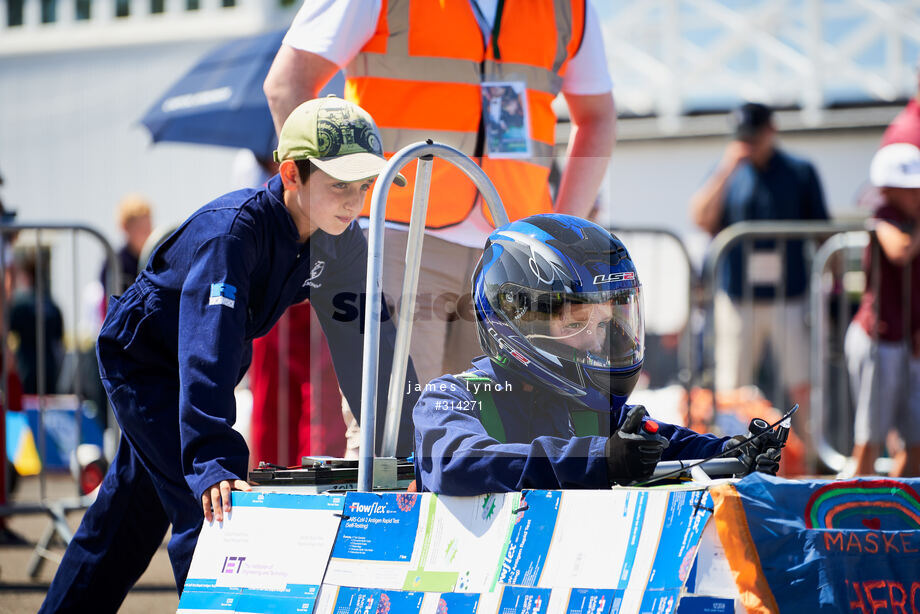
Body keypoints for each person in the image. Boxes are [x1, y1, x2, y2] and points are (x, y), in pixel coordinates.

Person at [39, 96, 420, 612]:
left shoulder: (342, 241)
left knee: (125, 521)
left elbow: (371, 346)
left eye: (364, 187)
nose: (354, 202)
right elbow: (206, 350)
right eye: (339, 186)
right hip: (147, 364)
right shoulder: (233, 233)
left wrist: (410, 446)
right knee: (213, 511)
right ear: (291, 174)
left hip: (205, 359)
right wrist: (214, 460)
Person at [263, 0, 617, 392]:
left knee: (503, 433)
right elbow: (287, 85)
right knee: (393, 433)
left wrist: (558, 236)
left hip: (516, 252)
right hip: (397, 237)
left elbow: (598, 116)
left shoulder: (567, 7)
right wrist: (335, 211)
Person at [412, 214, 782, 495]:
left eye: (603, 324)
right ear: (517, 320)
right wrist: (597, 460)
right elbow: (457, 462)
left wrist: (730, 453)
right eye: (576, 323)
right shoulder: (449, 398)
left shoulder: (591, 407)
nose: (593, 340)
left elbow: (658, 443)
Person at [689, 102, 828, 452]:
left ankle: (810, 455)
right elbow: (701, 218)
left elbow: (822, 231)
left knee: (801, 383)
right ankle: (731, 451)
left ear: (771, 130)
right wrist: (725, 168)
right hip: (738, 298)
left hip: (790, 296)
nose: (748, 144)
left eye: (754, 136)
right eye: (743, 138)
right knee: (732, 386)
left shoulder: (799, 171)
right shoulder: (730, 171)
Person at [844, 143, 920, 478]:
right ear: (889, 189)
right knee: (869, 440)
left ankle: (895, 509)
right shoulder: (884, 218)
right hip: (879, 339)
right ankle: (845, 515)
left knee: (915, 440)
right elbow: (900, 251)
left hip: (907, 341)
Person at [100, 194, 153, 299]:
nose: (147, 233)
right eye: (140, 228)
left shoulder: (156, 258)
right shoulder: (115, 263)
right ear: (125, 227)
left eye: (148, 226)